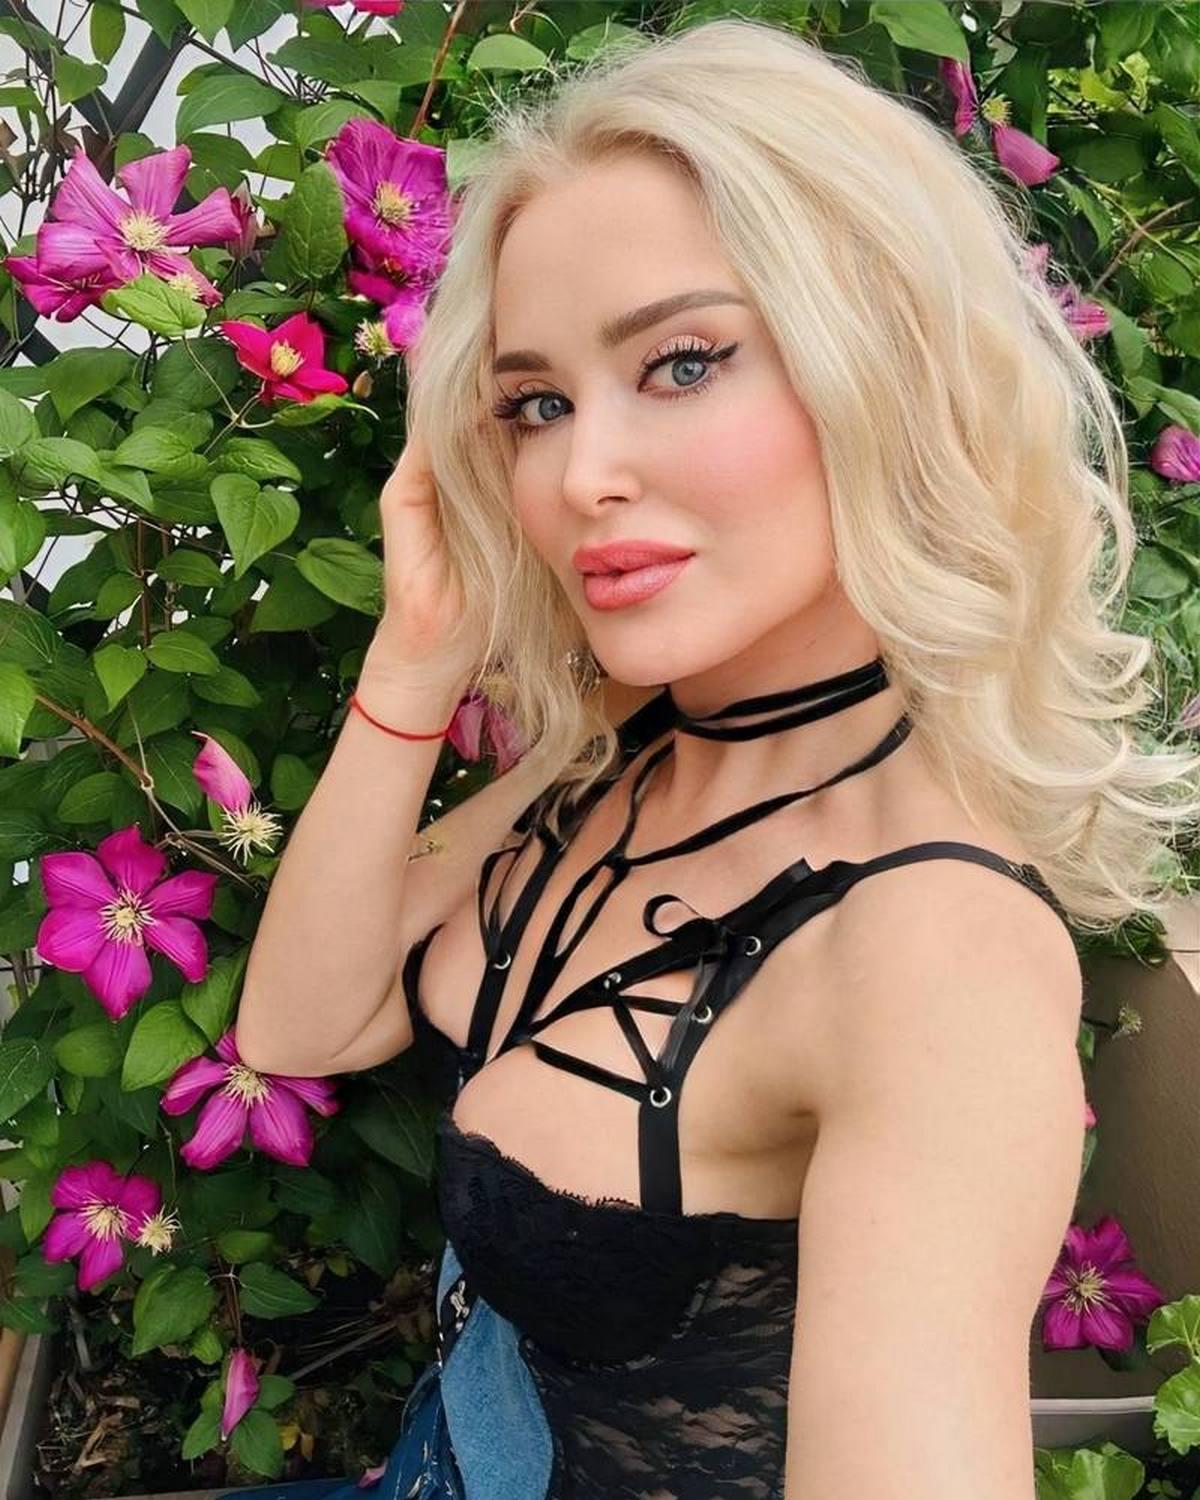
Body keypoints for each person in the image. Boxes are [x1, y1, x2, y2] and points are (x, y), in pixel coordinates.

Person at [229, 17, 1200, 1500]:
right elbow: (304, 1025)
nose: (581, 474)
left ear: (885, 367)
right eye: (536, 405)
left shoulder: (930, 949)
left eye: (682, 363)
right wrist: (415, 661)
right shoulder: (621, 749)